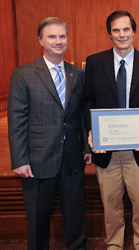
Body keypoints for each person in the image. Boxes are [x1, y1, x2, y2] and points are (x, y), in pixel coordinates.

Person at [8, 17, 91, 250]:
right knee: (37, 219)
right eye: (52, 36)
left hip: (72, 158)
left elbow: (79, 116)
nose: (58, 41)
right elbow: (17, 120)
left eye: (62, 36)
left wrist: (86, 147)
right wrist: (20, 159)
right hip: (37, 160)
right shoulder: (23, 74)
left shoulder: (77, 73)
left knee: (75, 218)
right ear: (40, 40)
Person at [81, 10, 139, 250]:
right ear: (110, 34)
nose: (122, 34)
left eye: (126, 29)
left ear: (134, 31)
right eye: (116, 30)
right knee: (110, 202)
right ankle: (114, 243)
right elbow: (87, 101)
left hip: (138, 147)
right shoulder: (94, 62)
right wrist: (92, 131)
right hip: (106, 150)